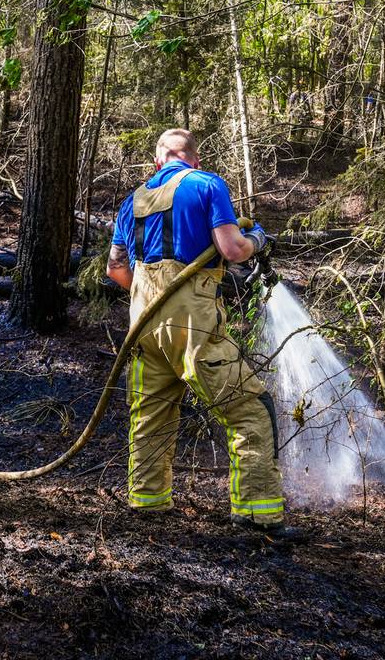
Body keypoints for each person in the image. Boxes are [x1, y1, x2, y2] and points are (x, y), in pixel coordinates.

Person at [107, 129, 295, 538]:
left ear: (158, 162)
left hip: (141, 325)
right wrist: (258, 240)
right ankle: (258, 514)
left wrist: (152, 296)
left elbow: (116, 270)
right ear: (193, 158)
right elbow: (231, 250)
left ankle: (148, 502)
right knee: (250, 408)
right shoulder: (207, 184)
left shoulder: (131, 202)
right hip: (191, 324)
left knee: (150, 414)